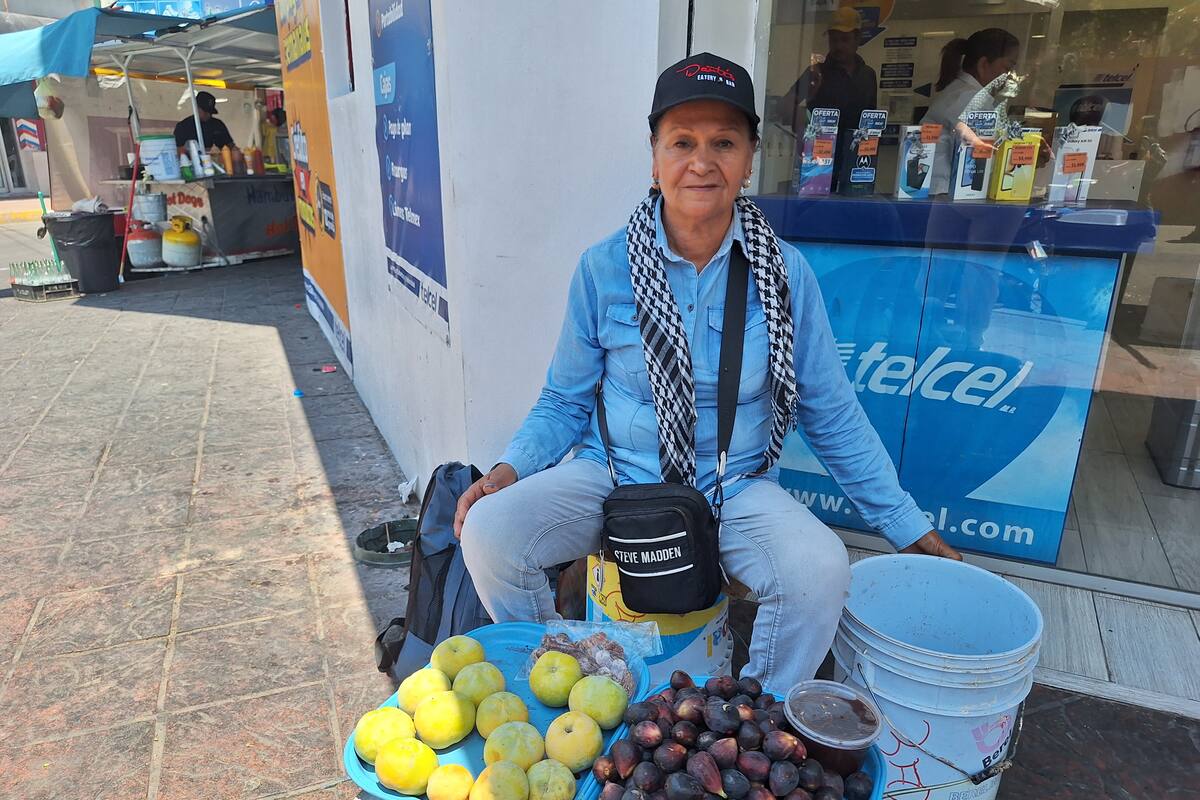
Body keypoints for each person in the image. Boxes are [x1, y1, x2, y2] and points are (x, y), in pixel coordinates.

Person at [454, 53, 960, 690]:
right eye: (682, 142)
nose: (702, 161)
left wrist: (906, 527)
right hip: (614, 476)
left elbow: (830, 413)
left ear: (750, 157)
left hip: (735, 488)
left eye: (723, 141)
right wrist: (506, 472)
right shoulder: (603, 269)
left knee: (820, 568)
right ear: (655, 157)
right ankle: (555, 677)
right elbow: (563, 400)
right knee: (493, 531)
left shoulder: (786, 276)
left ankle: (753, 713)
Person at [922, 29, 1019, 195]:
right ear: (983, 65)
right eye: (1007, 68)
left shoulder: (962, 93)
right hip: (945, 193)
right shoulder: (967, 98)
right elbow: (982, 150)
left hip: (946, 192)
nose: (1011, 76)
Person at [781, 7, 878, 138]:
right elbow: (786, 104)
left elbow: (871, 120)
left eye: (844, 39)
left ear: (857, 39)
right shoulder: (816, 72)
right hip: (820, 152)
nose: (838, 46)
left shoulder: (868, 75)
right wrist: (802, 120)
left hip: (856, 153)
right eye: (834, 40)